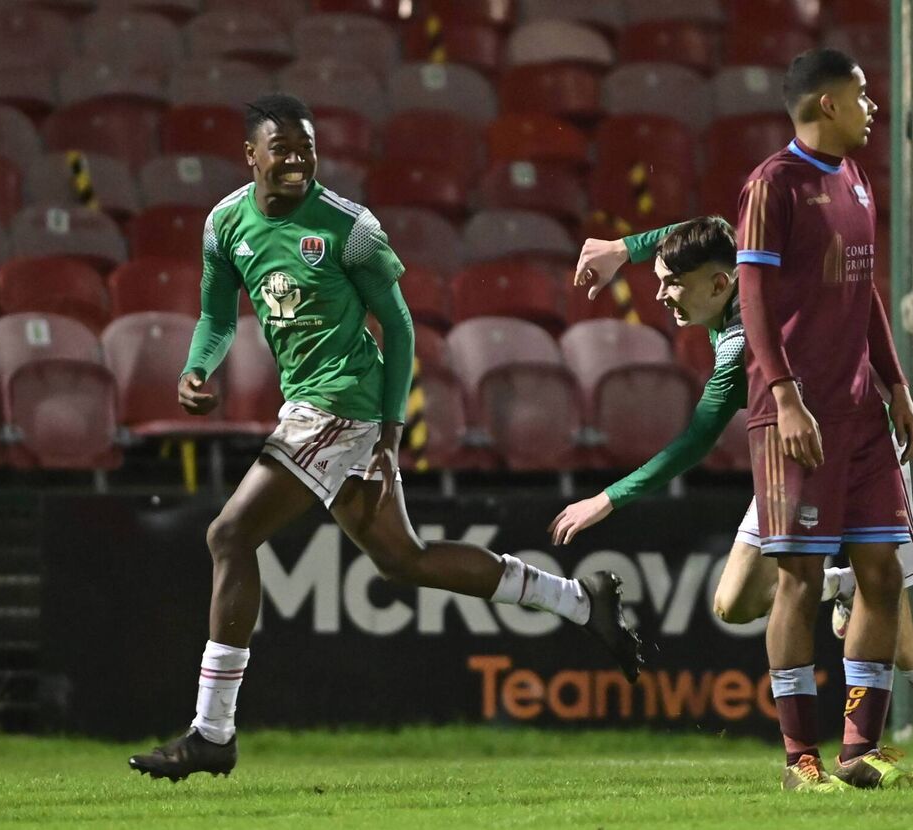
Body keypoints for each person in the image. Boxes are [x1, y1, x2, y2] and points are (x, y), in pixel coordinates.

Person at [128, 94, 644, 782]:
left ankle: (212, 732)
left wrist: (392, 429)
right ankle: (580, 602)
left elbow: (398, 326)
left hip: (345, 403)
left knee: (229, 536)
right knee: (404, 560)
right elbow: (217, 317)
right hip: (314, 406)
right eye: (281, 149)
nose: (297, 161)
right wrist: (197, 367)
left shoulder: (349, 226)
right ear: (250, 155)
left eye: (306, 148)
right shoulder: (225, 225)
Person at [559, 221, 913, 781]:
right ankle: (840, 586)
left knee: (890, 617)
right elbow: (708, 229)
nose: (660, 294)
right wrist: (624, 249)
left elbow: (696, 440)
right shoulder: (743, 277)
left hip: (858, 449)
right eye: (660, 280)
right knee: (735, 603)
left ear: (719, 285)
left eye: (672, 284)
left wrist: (607, 500)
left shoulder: (744, 339)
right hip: (791, 459)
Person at [736, 48, 913, 790]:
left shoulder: (855, 179)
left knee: (881, 574)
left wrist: (896, 385)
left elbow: (865, 292)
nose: (873, 106)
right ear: (824, 105)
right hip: (797, 414)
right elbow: (751, 298)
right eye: (863, 94)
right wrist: (783, 394)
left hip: (860, 412)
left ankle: (855, 749)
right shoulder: (771, 184)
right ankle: (798, 759)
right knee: (800, 583)